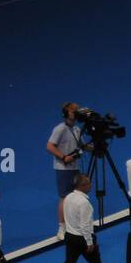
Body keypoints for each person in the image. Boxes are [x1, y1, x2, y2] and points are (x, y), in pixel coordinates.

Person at [55, 175, 114, 263]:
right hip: (82, 238)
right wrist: (89, 241)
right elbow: (85, 225)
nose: (91, 185)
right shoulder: (84, 203)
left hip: (70, 236)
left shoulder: (68, 197)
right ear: (81, 186)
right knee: (95, 260)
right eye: (88, 183)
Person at [47, 102, 90, 240]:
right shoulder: (60, 129)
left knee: (77, 196)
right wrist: (64, 157)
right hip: (63, 169)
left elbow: (83, 146)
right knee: (65, 198)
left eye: (77, 111)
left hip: (75, 167)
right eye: (73, 111)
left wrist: (96, 146)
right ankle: (62, 227)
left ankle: (75, 224)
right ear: (66, 114)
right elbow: (49, 146)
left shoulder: (77, 129)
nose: (75, 113)